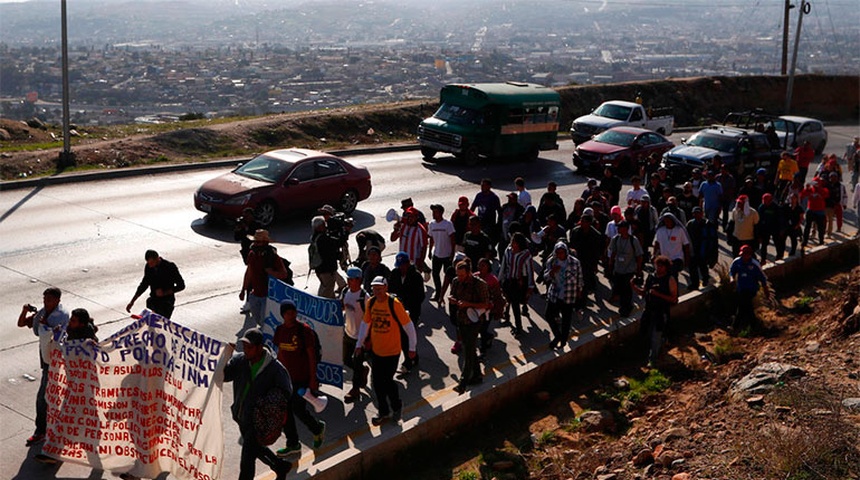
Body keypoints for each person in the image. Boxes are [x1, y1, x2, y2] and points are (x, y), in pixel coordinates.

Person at [224, 328, 293, 480]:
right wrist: (225, 355)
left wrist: (267, 403)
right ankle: (280, 466)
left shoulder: (275, 369)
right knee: (255, 448)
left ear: (259, 348)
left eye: (249, 347)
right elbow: (224, 375)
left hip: (260, 420)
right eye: (244, 347)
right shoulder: (241, 361)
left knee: (247, 458)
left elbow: (286, 392)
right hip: (242, 416)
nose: (245, 350)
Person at [355, 276, 417, 426]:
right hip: (377, 352)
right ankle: (383, 412)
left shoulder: (394, 304)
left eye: (380, 289)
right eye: (374, 289)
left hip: (392, 352)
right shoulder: (371, 303)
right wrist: (359, 344)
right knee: (377, 383)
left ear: (386, 288)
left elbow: (409, 327)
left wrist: (412, 348)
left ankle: (396, 406)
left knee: (387, 382)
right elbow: (365, 324)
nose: (377, 292)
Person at [272, 300, 326, 457]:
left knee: (297, 408)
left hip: (301, 378)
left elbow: (311, 356)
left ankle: (317, 429)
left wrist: (313, 378)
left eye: (293, 312)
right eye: (288, 313)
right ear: (283, 315)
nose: (292, 315)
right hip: (285, 378)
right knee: (285, 412)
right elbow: (280, 353)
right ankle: (293, 444)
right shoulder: (280, 330)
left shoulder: (304, 330)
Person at [17, 287, 69, 447]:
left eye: (49, 300)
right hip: (47, 357)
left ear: (57, 301)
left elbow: (47, 333)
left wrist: (44, 324)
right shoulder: (43, 312)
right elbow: (22, 324)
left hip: (55, 359)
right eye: (44, 299)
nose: (46, 303)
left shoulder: (60, 315)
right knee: (49, 394)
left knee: (43, 396)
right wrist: (25, 312)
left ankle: (41, 430)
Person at [448, 260, 491, 394]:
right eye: (458, 275)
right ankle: (477, 375)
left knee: (468, 351)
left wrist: (468, 304)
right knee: (469, 348)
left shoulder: (480, 285)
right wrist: (453, 300)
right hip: (461, 319)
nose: (459, 278)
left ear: (468, 273)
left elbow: (486, 304)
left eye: (462, 275)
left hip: (474, 321)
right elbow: (452, 294)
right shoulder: (456, 281)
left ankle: (463, 382)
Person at [631, 255, 678, 367]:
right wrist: (633, 286)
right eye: (657, 265)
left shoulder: (670, 280)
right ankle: (661, 345)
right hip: (649, 310)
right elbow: (644, 292)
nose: (658, 268)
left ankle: (653, 359)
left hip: (661, 312)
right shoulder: (651, 277)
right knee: (645, 331)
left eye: (661, 266)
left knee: (655, 336)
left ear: (666, 267)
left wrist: (658, 294)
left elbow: (673, 299)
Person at [240, 230, 289, 325]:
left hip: (268, 296)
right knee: (258, 320)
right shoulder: (252, 254)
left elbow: (284, 274)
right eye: (254, 241)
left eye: (258, 242)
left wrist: (271, 272)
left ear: (265, 243)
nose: (255, 244)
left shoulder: (273, 256)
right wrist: (243, 290)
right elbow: (249, 273)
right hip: (255, 295)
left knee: (264, 323)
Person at [387, 251, 425, 372]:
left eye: (403, 265)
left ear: (408, 264)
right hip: (398, 310)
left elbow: (420, 296)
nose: (401, 268)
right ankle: (414, 357)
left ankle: (408, 362)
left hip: (412, 311)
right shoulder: (394, 274)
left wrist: (410, 306)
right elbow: (390, 290)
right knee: (403, 336)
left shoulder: (416, 276)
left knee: (406, 336)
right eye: (399, 265)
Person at [542, 242, 583, 349]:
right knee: (548, 315)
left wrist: (579, 291)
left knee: (566, 319)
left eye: (562, 252)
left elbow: (579, 278)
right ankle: (558, 335)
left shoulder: (574, 262)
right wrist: (552, 272)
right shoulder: (551, 262)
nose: (560, 255)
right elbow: (545, 277)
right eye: (558, 253)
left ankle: (563, 340)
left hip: (569, 294)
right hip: (555, 293)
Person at [126, 249, 185, 319]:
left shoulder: (169, 267)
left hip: (166, 302)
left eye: (152, 263)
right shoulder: (148, 267)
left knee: (159, 322)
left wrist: (165, 293)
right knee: (151, 318)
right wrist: (132, 302)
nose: (150, 266)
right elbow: (144, 284)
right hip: (154, 300)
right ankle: (146, 318)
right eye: (148, 263)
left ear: (157, 258)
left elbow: (181, 285)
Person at [340, 267, 369, 404]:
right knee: (346, 360)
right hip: (348, 333)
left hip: (360, 338)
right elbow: (341, 306)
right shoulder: (345, 292)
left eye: (352, 279)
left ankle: (355, 390)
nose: (349, 281)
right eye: (348, 279)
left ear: (359, 280)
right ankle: (363, 370)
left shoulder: (365, 297)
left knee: (356, 365)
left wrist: (367, 339)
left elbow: (370, 319)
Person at [499, 233, 534, 337]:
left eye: (514, 241)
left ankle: (519, 328)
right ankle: (506, 315)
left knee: (515, 304)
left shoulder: (526, 255)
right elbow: (503, 265)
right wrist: (499, 280)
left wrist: (530, 286)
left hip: (519, 283)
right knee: (506, 298)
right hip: (508, 279)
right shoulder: (508, 251)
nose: (512, 243)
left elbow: (530, 271)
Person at [729, 245, 771, 333]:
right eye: (743, 255)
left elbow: (763, 278)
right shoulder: (737, 262)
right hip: (741, 288)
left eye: (746, 255)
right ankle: (753, 325)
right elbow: (732, 271)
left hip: (751, 288)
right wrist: (732, 278)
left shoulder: (754, 265)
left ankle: (735, 326)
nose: (744, 257)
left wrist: (767, 292)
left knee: (742, 305)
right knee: (746, 307)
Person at [607, 220, 643, 317]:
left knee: (627, 289)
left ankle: (627, 307)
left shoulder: (633, 240)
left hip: (629, 270)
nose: (618, 229)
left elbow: (639, 256)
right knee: (619, 287)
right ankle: (622, 305)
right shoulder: (615, 239)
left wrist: (638, 270)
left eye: (620, 228)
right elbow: (613, 252)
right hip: (618, 269)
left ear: (626, 229)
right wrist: (610, 264)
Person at [568, 213, 603, 299]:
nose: (581, 223)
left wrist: (595, 265)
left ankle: (583, 299)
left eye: (584, 221)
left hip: (588, 262)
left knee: (585, 282)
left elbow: (597, 251)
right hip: (576, 260)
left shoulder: (595, 235)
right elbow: (571, 245)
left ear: (589, 223)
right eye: (581, 221)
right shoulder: (575, 231)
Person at [310, 216, 346, 299]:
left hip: (319, 269)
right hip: (327, 270)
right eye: (323, 224)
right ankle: (322, 308)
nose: (325, 226)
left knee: (327, 289)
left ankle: (333, 307)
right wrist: (345, 231)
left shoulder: (315, 237)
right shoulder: (324, 239)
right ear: (319, 227)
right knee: (326, 293)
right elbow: (339, 242)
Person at [427, 204, 456, 303]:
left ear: (441, 213)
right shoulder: (431, 224)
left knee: (449, 276)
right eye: (433, 212)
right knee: (435, 274)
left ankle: (453, 294)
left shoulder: (448, 224)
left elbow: (452, 239)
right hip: (437, 254)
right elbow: (431, 238)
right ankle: (438, 294)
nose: (433, 214)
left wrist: (452, 253)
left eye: (435, 212)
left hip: (447, 255)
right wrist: (430, 251)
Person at [685, 207, 718, 290]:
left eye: (698, 213)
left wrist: (713, 254)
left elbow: (713, 239)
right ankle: (694, 284)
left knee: (703, 266)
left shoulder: (708, 224)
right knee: (692, 268)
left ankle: (705, 280)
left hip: (704, 250)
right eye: (695, 213)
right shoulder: (690, 224)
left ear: (702, 214)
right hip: (693, 250)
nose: (697, 215)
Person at [390, 206, 429, 275]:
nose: (410, 218)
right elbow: (392, 239)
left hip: (413, 262)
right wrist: (395, 230)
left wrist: (420, 262)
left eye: (412, 216)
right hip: (401, 261)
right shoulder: (403, 225)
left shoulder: (420, 230)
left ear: (416, 217)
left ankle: (427, 270)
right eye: (408, 216)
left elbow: (424, 247)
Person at [652, 212, 690, 279]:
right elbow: (656, 243)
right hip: (664, 259)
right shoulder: (660, 231)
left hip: (677, 258)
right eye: (665, 220)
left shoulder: (679, 230)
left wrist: (687, 259)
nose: (667, 222)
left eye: (669, 220)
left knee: (673, 275)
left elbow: (686, 244)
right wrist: (654, 255)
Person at [471, 178, 502, 245]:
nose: (482, 187)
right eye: (481, 185)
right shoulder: (479, 195)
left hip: (489, 224)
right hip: (480, 222)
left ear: (489, 186)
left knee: (486, 240)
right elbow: (473, 208)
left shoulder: (494, 197)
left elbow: (499, 212)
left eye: (484, 185)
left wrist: (498, 225)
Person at [801, 178, 828, 247]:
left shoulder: (823, 190)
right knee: (807, 226)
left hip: (820, 211)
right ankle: (805, 241)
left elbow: (826, 194)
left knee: (820, 228)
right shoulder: (810, 190)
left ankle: (821, 241)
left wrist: (819, 189)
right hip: (810, 210)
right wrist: (806, 189)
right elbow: (802, 195)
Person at [756, 193, 783, 264]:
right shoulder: (761, 207)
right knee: (764, 245)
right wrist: (759, 233)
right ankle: (763, 259)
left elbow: (780, 219)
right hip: (765, 229)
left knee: (777, 243)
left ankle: (779, 256)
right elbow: (758, 220)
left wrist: (781, 230)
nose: (765, 203)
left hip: (774, 228)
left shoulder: (776, 207)